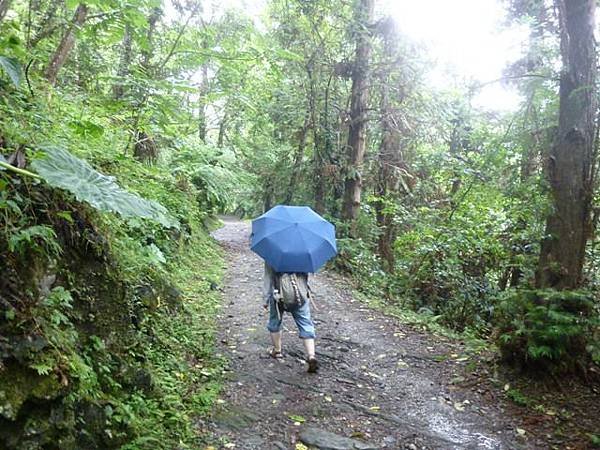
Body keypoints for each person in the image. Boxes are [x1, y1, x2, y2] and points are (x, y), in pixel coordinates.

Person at [262, 263, 318, 373]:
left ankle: (277, 351)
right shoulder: (303, 252)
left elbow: (268, 278)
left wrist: (265, 299)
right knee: (305, 323)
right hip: (300, 295)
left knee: (275, 322)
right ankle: (311, 355)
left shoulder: (273, 254)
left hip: (279, 296)